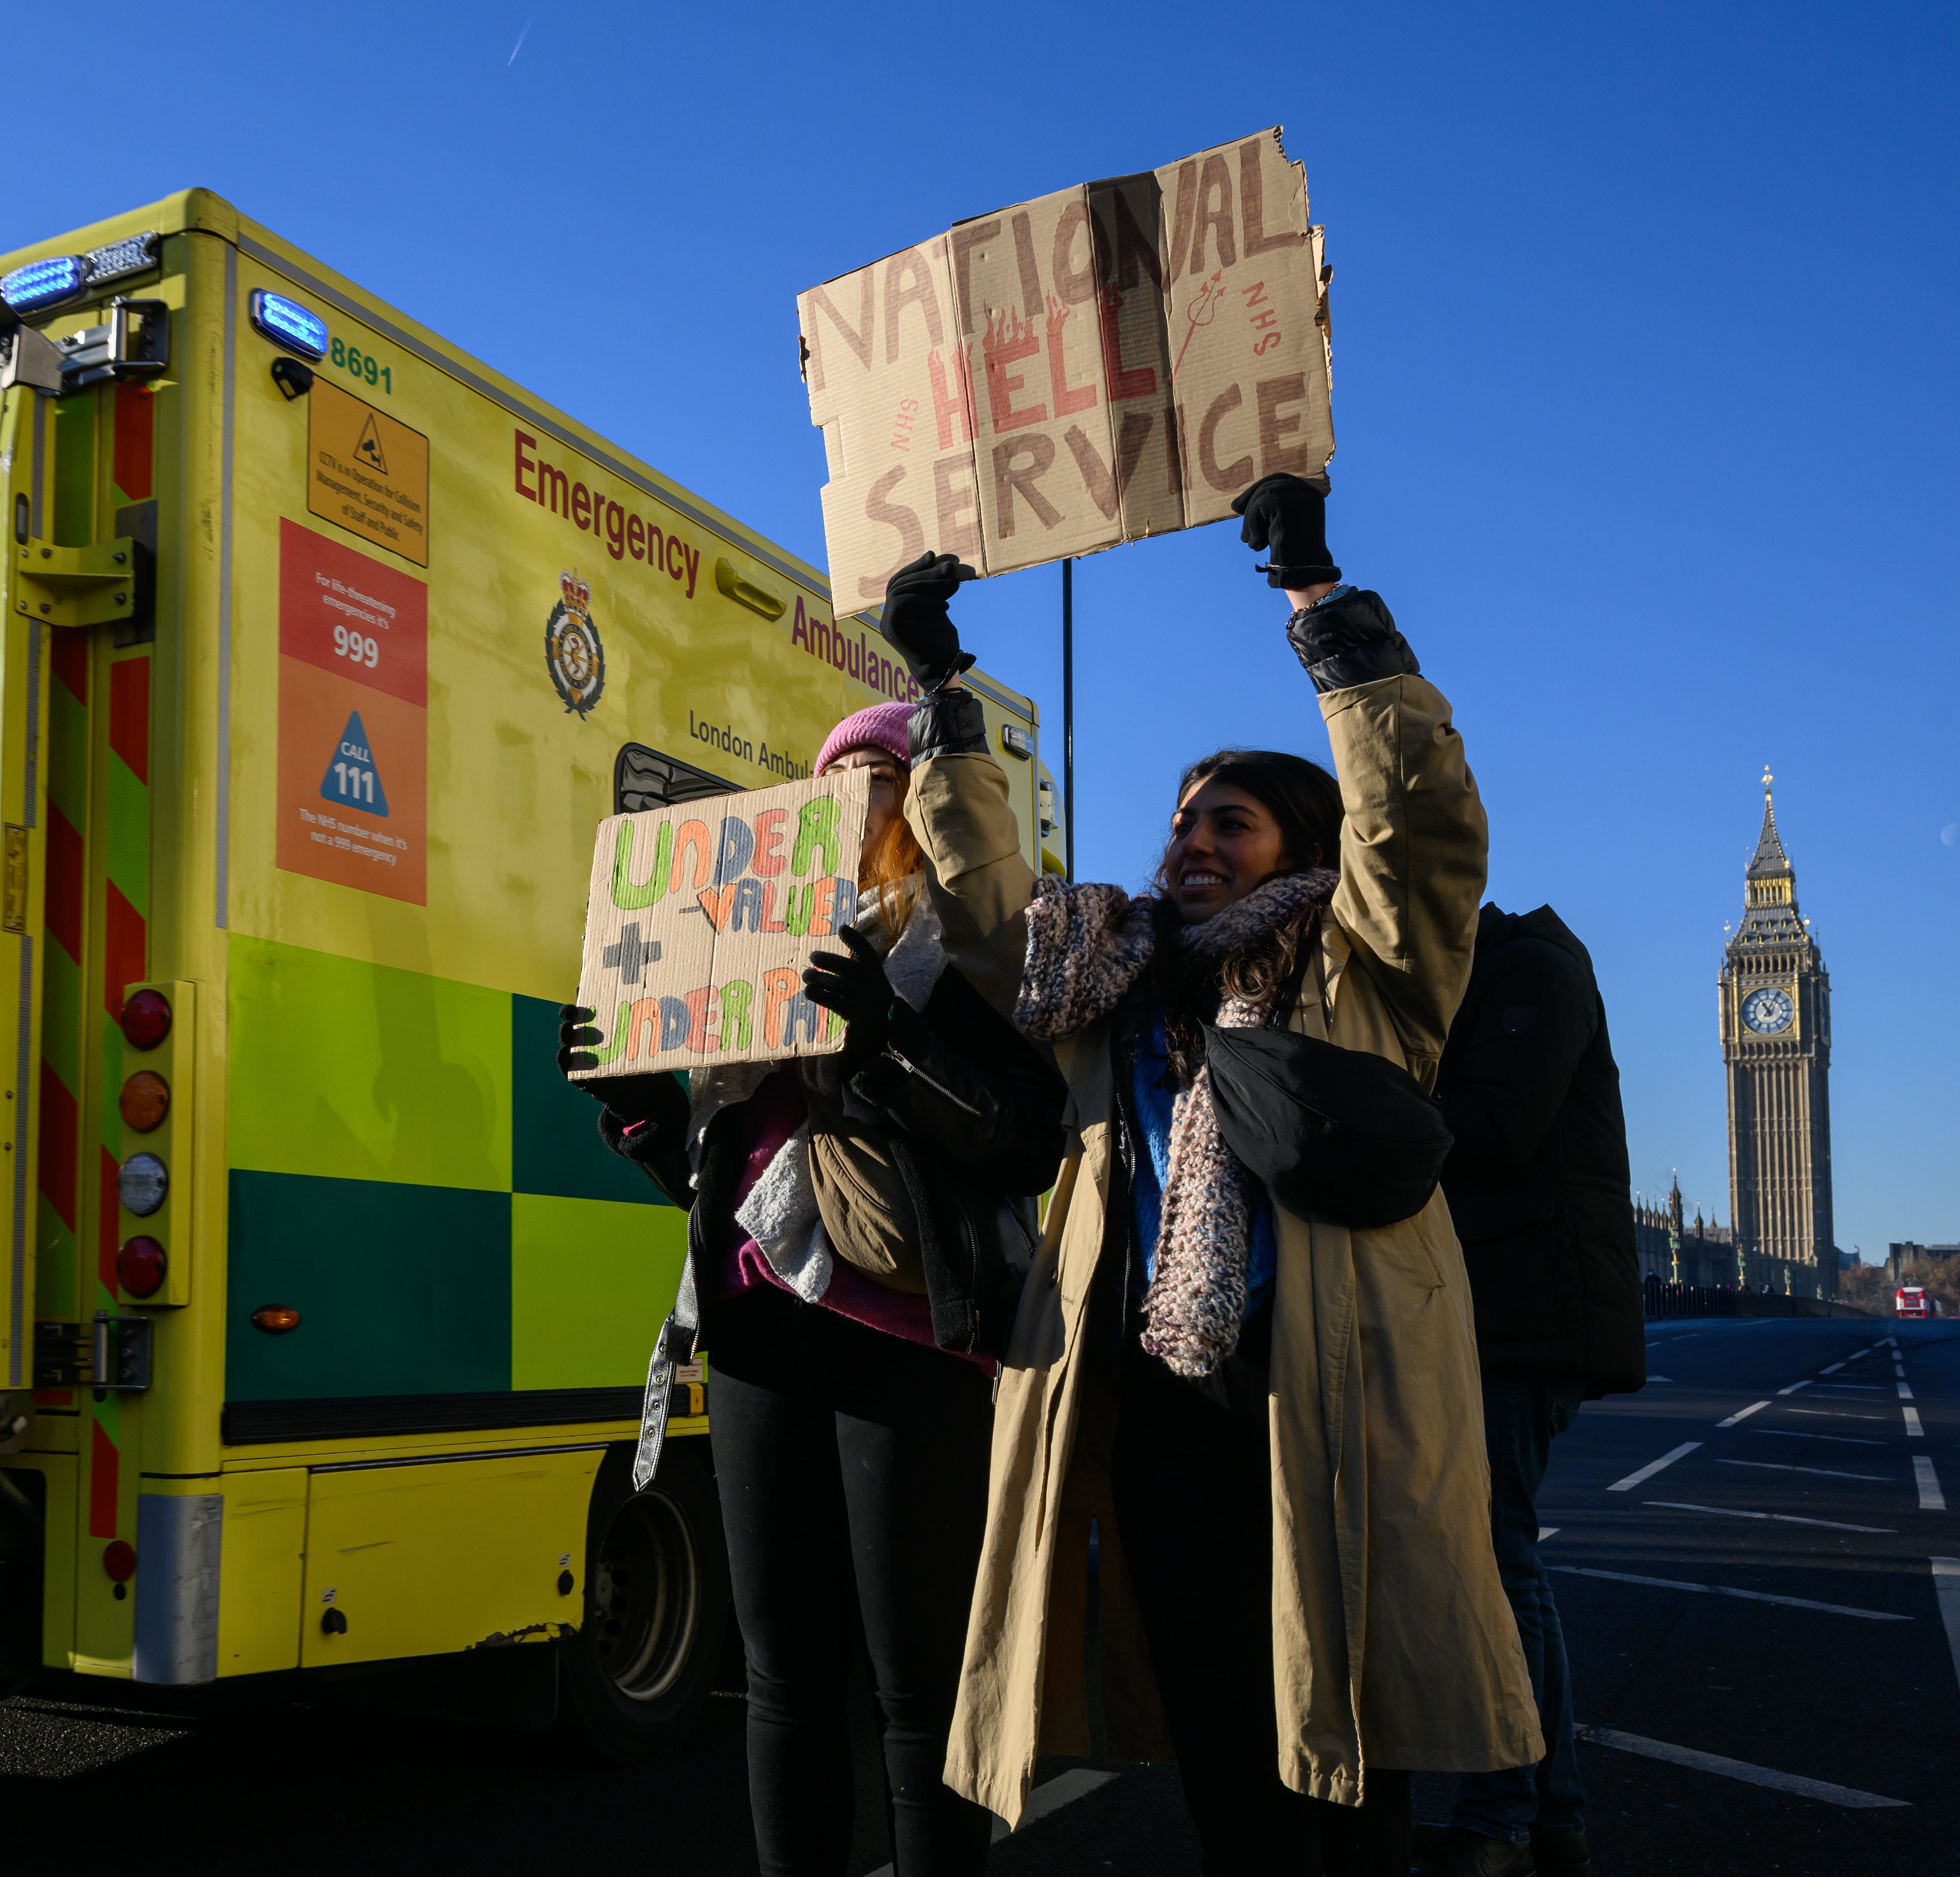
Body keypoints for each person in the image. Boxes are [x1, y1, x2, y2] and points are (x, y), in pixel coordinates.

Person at [902, 478, 1542, 1876]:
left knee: (1338, 1753)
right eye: (1183, 822)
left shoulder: (1362, 974)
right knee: (1220, 1757)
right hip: (1160, 1422)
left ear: (1303, 854)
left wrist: (1321, 604)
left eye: (1231, 823)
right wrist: (941, 696)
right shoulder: (1103, 983)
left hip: (1325, 1405)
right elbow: (977, 909)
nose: (1191, 842)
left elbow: (1419, 827)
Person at [559, 701, 1068, 1877]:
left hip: (903, 1341)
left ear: (922, 812)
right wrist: (636, 1111)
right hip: (753, 1336)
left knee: (913, 1683)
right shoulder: (745, 952)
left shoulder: (974, 955)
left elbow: (1020, 1143)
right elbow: (713, 1165)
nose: (845, 800)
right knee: (780, 1674)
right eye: (830, 780)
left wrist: (886, 1033)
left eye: (875, 779)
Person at [1417, 906, 1645, 1877]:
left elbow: (1498, 1124)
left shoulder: (1533, 965)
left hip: (1524, 1308)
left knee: (1500, 1556)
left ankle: (1505, 1812)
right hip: (1493, 1304)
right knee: (1499, 1552)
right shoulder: (1479, 972)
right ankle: (1544, 1813)